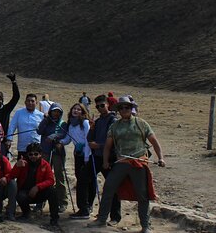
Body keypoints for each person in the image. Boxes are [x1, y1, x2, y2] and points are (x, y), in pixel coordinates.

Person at [88, 96, 166, 233]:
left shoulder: (141, 123)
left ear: (131, 109)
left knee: (142, 195)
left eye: (127, 107)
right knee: (108, 189)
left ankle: (145, 226)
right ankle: (101, 219)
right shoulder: (115, 126)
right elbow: (107, 146)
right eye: (122, 107)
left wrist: (161, 158)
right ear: (118, 110)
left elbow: (154, 141)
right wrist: (105, 161)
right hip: (121, 162)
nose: (124, 110)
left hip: (139, 162)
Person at [87, 94, 121, 225]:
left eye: (102, 105)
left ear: (108, 105)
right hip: (97, 157)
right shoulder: (99, 121)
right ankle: (87, 207)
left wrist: (98, 145)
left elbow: (112, 142)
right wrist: (91, 129)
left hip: (110, 158)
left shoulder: (113, 120)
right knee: (86, 178)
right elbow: (90, 139)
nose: (100, 108)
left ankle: (115, 217)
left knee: (112, 186)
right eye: (98, 106)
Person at [10, 142, 59, 227]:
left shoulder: (45, 164)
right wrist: (17, 166)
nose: (33, 156)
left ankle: (54, 218)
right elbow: (11, 176)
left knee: (52, 191)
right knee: (20, 195)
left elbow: (51, 180)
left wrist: (37, 187)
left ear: (40, 154)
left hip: (39, 193)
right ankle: (26, 213)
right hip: (25, 193)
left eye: (36, 154)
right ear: (27, 155)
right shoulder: (22, 163)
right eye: (30, 154)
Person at [60, 103, 93, 219]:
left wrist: (86, 157)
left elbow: (88, 139)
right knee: (81, 179)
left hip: (87, 154)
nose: (76, 111)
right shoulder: (71, 124)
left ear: (82, 112)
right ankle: (85, 207)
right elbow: (68, 139)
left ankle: (85, 208)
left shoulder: (84, 123)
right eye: (74, 108)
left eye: (79, 109)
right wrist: (61, 142)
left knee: (84, 181)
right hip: (78, 154)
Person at [36, 102, 68, 212]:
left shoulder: (63, 124)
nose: (56, 113)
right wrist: (45, 120)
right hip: (45, 151)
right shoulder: (46, 122)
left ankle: (62, 202)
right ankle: (40, 202)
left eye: (58, 112)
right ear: (50, 111)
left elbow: (64, 134)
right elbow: (39, 131)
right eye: (54, 111)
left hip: (57, 153)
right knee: (43, 176)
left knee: (59, 176)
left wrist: (54, 136)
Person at [5, 93, 43, 159]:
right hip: (22, 147)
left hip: (36, 149)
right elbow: (12, 126)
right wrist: (9, 139)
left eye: (32, 101)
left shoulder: (41, 115)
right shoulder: (19, 113)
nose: (30, 103)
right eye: (28, 101)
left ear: (36, 102)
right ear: (25, 102)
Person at [0, 72, 20, 154]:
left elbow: (16, 97)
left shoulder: (6, 109)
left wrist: (14, 82)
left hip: (3, 141)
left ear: (2, 101)